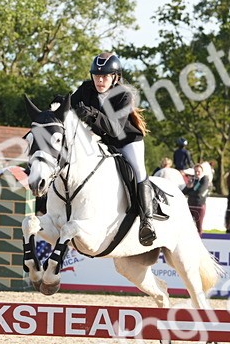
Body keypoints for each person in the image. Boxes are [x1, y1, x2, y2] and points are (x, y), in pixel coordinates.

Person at [70, 51, 167, 245]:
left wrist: (91, 114)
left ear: (115, 77)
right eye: (97, 76)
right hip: (101, 140)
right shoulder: (86, 89)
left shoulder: (123, 95)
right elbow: (70, 108)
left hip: (126, 140)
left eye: (105, 76)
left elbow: (115, 129)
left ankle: (146, 221)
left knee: (139, 171)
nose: (100, 80)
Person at [183, 162, 211, 233]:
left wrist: (190, 190)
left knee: (199, 226)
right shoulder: (193, 180)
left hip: (199, 206)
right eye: (195, 171)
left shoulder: (205, 179)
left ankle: (199, 242)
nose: (197, 173)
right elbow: (183, 192)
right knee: (188, 225)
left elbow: (199, 193)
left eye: (198, 171)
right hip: (190, 205)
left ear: (202, 172)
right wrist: (188, 187)